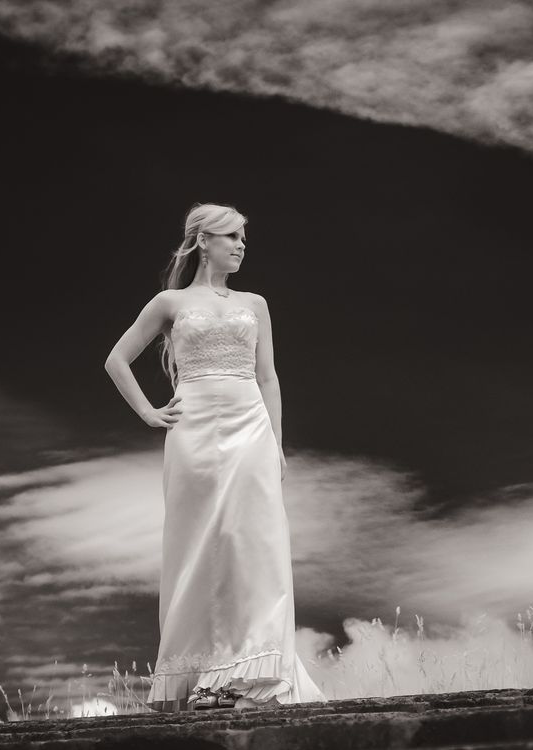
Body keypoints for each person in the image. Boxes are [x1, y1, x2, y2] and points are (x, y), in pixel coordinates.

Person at [104, 202, 327, 712]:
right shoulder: (170, 301)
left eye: (245, 238)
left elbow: (268, 377)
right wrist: (147, 413)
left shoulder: (257, 303)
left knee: (255, 541)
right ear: (203, 240)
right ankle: (201, 674)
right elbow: (116, 359)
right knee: (197, 545)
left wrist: (276, 443)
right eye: (232, 236)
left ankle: (255, 672)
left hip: (252, 429)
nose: (242, 245)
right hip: (192, 434)